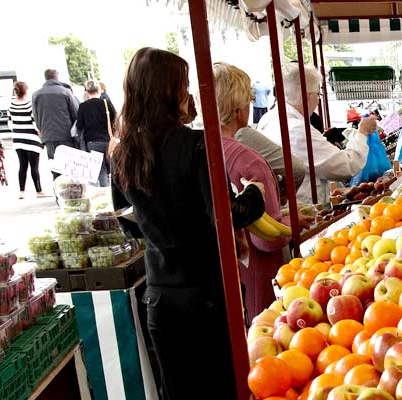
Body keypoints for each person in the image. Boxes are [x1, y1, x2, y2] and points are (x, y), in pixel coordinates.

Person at [110, 47, 266, 399]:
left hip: (161, 297)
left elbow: (127, 223)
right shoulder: (196, 144)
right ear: (170, 91)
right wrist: (255, 193)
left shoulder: (123, 151)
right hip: (208, 295)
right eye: (183, 85)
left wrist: (159, 230)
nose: (188, 94)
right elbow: (227, 217)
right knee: (226, 388)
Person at [213, 62, 294, 323]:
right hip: (259, 278)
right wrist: (290, 223)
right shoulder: (249, 162)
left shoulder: (202, 153)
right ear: (239, 109)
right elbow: (267, 240)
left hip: (223, 281)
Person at [257, 63, 369, 202]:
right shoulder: (296, 130)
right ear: (307, 96)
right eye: (318, 94)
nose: (317, 100)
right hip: (305, 210)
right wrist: (363, 133)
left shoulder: (269, 118)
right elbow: (346, 166)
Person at [32, 68, 79, 180]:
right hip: (66, 134)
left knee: (55, 165)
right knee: (69, 165)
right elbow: (75, 113)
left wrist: (42, 132)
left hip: (48, 137)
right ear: (56, 76)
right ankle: (71, 191)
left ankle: (58, 189)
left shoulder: (36, 95)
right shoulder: (65, 92)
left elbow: (36, 117)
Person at [10, 82, 47, 198]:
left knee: (22, 165)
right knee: (34, 166)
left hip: (18, 139)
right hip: (31, 139)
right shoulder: (29, 105)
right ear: (26, 91)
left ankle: (22, 191)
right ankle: (39, 190)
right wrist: (41, 135)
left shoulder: (11, 105)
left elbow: (10, 124)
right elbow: (34, 122)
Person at [77, 80, 117, 187]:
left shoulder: (83, 106)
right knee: (115, 168)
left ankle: (106, 192)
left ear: (87, 91)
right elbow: (116, 120)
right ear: (99, 89)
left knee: (101, 170)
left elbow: (79, 126)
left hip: (92, 142)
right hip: (109, 141)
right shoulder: (106, 103)